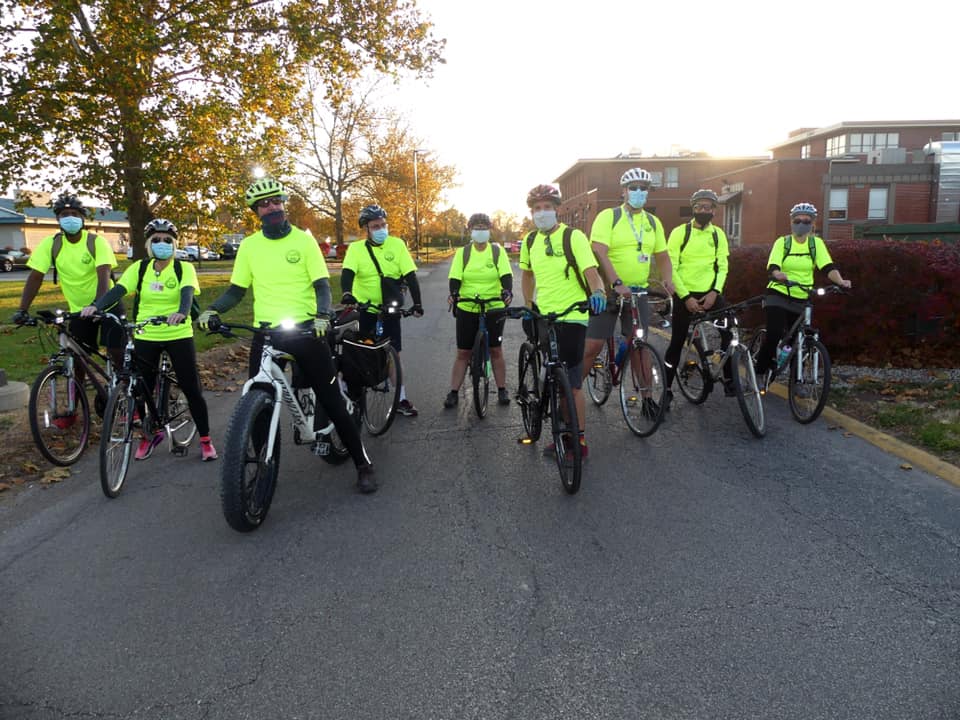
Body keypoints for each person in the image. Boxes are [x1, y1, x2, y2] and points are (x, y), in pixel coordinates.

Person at [197, 178, 376, 494]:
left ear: (283, 202)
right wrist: (213, 310)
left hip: (308, 329)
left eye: (276, 201)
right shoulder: (250, 246)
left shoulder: (303, 241)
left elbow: (321, 284)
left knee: (332, 401)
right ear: (256, 211)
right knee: (255, 400)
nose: (272, 207)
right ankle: (258, 466)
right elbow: (237, 290)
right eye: (264, 204)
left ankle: (362, 463)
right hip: (267, 333)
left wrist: (322, 314)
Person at [80, 219, 217, 461]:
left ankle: (205, 440)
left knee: (191, 387)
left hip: (178, 333)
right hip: (146, 333)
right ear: (148, 244)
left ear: (175, 244)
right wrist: (95, 306)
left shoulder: (183, 268)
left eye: (167, 240)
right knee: (141, 389)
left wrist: (182, 313)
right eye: (156, 240)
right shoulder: (140, 268)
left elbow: (186, 294)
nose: (162, 244)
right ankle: (149, 434)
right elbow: (117, 291)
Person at [520, 184, 607, 458]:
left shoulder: (574, 237)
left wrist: (598, 291)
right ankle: (555, 415)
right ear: (531, 212)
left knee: (571, 382)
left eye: (547, 207)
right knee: (554, 374)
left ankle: (577, 440)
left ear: (557, 209)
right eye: (537, 209)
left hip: (572, 315)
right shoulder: (530, 241)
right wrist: (528, 305)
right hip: (544, 315)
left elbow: (590, 271)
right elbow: (527, 275)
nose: (542, 213)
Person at [580, 167, 674, 412]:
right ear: (623, 191)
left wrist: (668, 280)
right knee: (593, 345)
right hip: (610, 292)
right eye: (634, 188)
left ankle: (646, 399)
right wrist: (616, 283)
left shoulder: (653, 222)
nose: (639, 192)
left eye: (644, 188)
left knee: (639, 344)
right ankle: (571, 391)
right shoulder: (608, 217)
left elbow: (662, 256)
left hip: (638, 293)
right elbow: (598, 250)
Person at [12, 192, 123, 371]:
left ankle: (122, 391)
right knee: (78, 358)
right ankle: (78, 398)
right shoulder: (51, 244)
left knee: (116, 352)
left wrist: (97, 305)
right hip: (78, 310)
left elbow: (104, 275)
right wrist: (22, 310)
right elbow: (35, 277)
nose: (70, 218)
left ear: (82, 218)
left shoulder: (96, 242)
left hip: (107, 305)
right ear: (58, 219)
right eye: (64, 215)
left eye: (74, 214)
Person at [754, 202, 853, 387]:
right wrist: (777, 274)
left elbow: (827, 267)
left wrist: (840, 281)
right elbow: (773, 266)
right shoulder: (783, 242)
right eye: (798, 220)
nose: (802, 223)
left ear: (812, 224)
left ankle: (796, 381)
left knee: (797, 340)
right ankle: (759, 372)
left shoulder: (816, 244)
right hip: (778, 292)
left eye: (806, 221)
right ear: (791, 222)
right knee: (774, 333)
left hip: (802, 296)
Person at [340, 204, 424, 417]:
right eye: (375, 226)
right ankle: (354, 393)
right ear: (366, 229)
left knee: (394, 352)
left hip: (390, 306)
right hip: (365, 307)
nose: (381, 229)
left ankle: (401, 398)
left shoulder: (396, 245)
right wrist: (347, 293)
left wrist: (417, 303)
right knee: (361, 352)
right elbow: (348, 273)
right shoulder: (356, 249)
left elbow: (411, 276)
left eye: (383, 225)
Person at [663, 189, 732, 403]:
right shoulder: (679, 233)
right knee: (676, 343)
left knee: (729, 333)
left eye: (707, 207)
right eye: (699, 207)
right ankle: (666, 390)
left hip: (710, 294)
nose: (703, 210)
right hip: (686, 296)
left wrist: (715, 292)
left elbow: (723, 266)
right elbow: (671, 267)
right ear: (693, 209)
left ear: (714, 210)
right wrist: (685, 297)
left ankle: (729, 379)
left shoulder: (717, 234)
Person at [444, 212, 514, 408]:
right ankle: (453, 392)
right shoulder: (463, 252)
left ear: (489, 230)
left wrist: (507, 292)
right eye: (477, 228)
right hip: (468, 305)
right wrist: (455, 294)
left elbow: (506, 275)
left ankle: (502, 389)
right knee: (463, 353)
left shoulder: (497, 251)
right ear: (470, 231)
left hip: (494, 306)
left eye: (484, 228)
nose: (480, 231)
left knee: (495, 350)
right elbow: (455, 278)